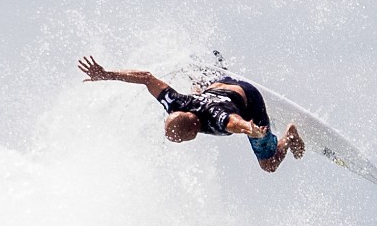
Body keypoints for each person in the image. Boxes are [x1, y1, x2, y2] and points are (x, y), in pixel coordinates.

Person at [77, 56, 305, 172]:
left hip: (248, 100)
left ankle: (289, 137)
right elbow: (147, 78)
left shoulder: (216, 118)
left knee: (269, 164)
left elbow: (234, 123)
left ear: (194, 131)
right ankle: (208, 71)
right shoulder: (176, 103)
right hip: (220, 86)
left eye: (180, 139)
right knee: (198, 90)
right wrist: (108, 74)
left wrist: (252, 130)